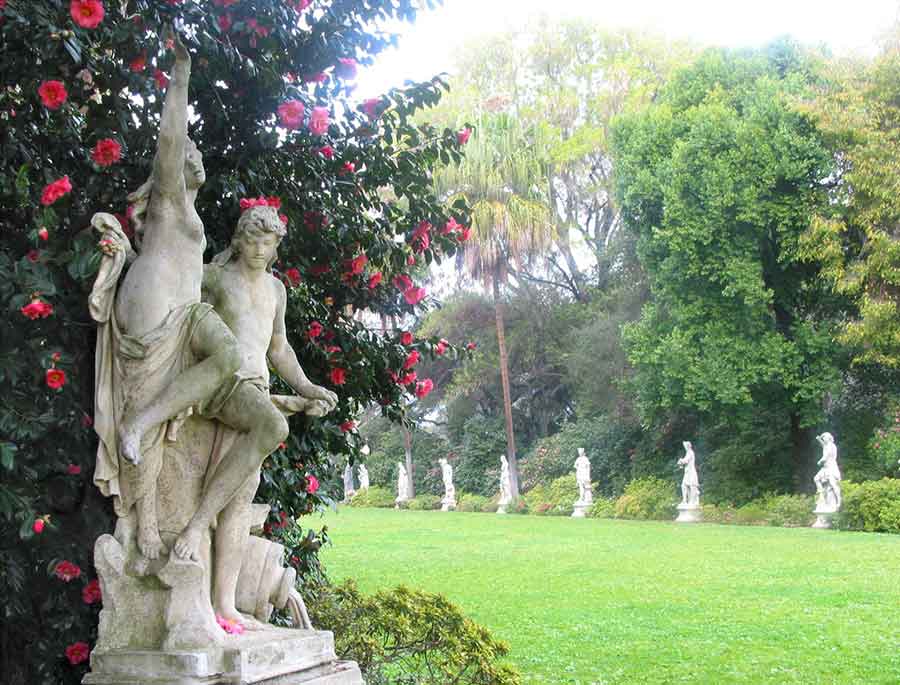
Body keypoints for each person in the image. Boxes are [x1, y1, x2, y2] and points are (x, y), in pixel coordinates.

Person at [94, 31, 243, 560]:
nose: (193, 160)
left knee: (227, 357)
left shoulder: (188, 217)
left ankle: (146, 420)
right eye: (188, 155)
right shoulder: (169, 200)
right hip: (158, 313)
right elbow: (170, 142)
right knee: (149, 429)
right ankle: (147, 528)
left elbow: (190, 270)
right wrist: (179, 76)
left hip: (176, 307)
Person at [186, 204, 337, 625]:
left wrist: (307, 387)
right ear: (238, 240)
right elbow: (178, 307)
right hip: (225, 386)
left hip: (257, 391)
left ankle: (223, 605)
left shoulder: (276, 290)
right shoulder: (215, 277)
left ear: (275, 247)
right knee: (274, 425)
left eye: (267, 242)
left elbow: (278, 349)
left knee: (240, 498)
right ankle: (196, 525)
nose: (258, 248)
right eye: (252, 239)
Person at [814, 432, 841, 510]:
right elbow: (823, 445)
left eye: (824, 438)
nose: (823, 439)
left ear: (828, 438)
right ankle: (821, 494)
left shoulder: (831, 446)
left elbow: (826, 456)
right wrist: (819, 439)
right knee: (816, 479)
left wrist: (820, 461)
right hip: (825, 468)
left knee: (833, 484)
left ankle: (839, 500)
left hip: (831, 467)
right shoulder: (826, 445)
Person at [677, 441, 699, 505]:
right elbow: (685, 461)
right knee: (683, 485)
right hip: (687, 472)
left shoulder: (690, 452)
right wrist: (681, 462)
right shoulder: (688, 453)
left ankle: (692, 501)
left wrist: (680, 460)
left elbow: (686, 461)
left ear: (687, 446)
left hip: (691, 472)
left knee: (692, 486)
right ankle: (684, 500)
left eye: (685, 446)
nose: (685, 448)